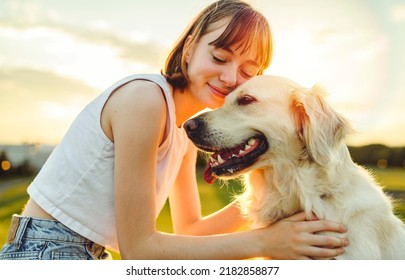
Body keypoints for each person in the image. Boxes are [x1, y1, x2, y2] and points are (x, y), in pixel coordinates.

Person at [0, 0, 348, 260]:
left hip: (89, 256)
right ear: (190, 46)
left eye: (248, 70)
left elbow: (190, 230)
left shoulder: (185, 129)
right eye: (220, 57)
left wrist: (285, 199)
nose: (230, 78)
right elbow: (140, 249)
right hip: (44, 250)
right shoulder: (145, 99)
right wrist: (264, 242)